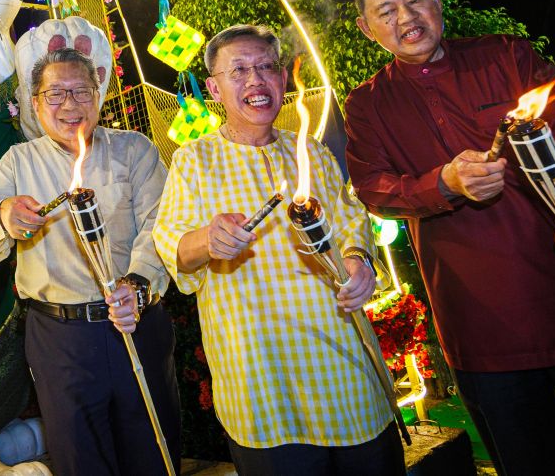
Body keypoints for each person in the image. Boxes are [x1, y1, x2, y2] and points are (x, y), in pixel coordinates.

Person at [344, 0, 555, 476]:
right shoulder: (368, 105)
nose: (406, 18)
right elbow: (373, 187)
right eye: (387, 11)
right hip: (481, 328)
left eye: (415, 0)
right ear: (367, 28)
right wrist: (443, 182)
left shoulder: (507, 56)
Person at [154, 25, 405, 476]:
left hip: (345, 368)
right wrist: (208, 240)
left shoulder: (308, 151)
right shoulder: (193, 160)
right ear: (214, 87)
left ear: (283, 80)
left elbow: (352, 221)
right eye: (239, 70)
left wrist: (360, 262)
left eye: (266, 67)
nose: (256, 80)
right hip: (263, 379)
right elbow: (172, 243)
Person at [0, 47, 182, 476]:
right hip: (61, 338)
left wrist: (137, 284)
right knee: (79, 458)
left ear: (99, 97)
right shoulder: (20, 162)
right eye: (55, 94)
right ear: (35, 104)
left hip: (137, 323)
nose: (70, 105)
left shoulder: (135, 150)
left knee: (154, 450)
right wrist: (2, 217)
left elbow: (161, 225)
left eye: (81, 91)